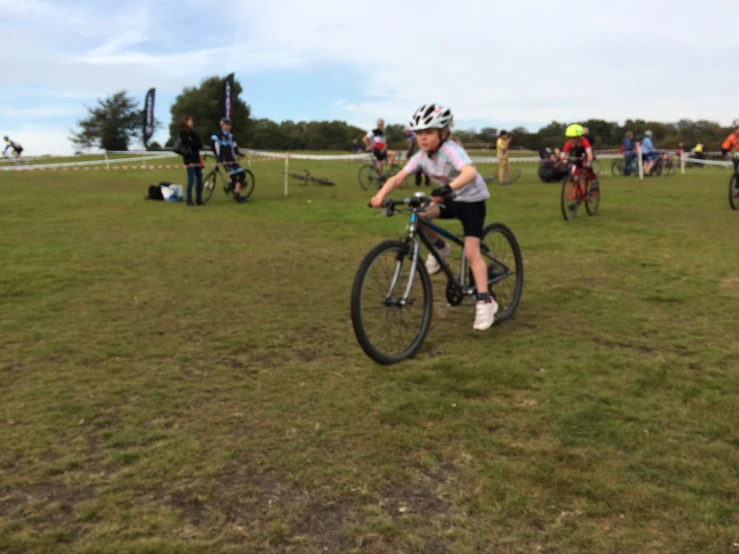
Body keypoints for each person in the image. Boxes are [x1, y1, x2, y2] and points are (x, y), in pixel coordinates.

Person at [369, 103, 497, 331]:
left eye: (428, 132)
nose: (423, 138)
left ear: (443, 133)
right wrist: (379, 195)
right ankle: (439, 247)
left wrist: (448, 189)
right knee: (420, 216)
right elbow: (398, 178)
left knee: (471, 251)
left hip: (472, 202)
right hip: (448, 199)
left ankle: (485, 301)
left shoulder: (450, 150)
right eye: (419, 133)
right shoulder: (420, 157)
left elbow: (469, 172)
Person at [211, 118, 248, 203]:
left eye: (229, 125)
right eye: (226, 124)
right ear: (222, 125)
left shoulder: (231, 136)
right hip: (224, 160)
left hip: (232, 159)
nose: (228, 126)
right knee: (234, 177)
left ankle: (234, 190)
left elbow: (235, 147)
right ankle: (237, 194)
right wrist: (218, 156)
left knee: (242, 174)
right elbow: (213, 146)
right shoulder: (217, 135)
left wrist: (239, 153)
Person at [560, 124, 597, 189]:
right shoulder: (568, 143)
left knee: (586, 167)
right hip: (576, 157)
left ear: (579, 137)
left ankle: (593, 180)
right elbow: (563, 154)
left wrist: (588, 161)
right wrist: (564, 160)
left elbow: (589, 154)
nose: (572, 140)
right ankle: (576, 186)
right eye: (570, 137)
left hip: (585, 155)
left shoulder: (584, 141)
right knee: (573, 169)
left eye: (574, 138)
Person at [179, 115, 204, 207]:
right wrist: (193, 142)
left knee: (199, 180)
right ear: (186, 122)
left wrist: (193, 142)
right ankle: (189, 200)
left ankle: (199, 199)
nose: (192, 122)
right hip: (189, 159)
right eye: (190, 121)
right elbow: (187, 142)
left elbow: (199, 144)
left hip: (197, 159)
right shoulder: (182, 133)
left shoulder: (194, 132)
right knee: (191, 180)